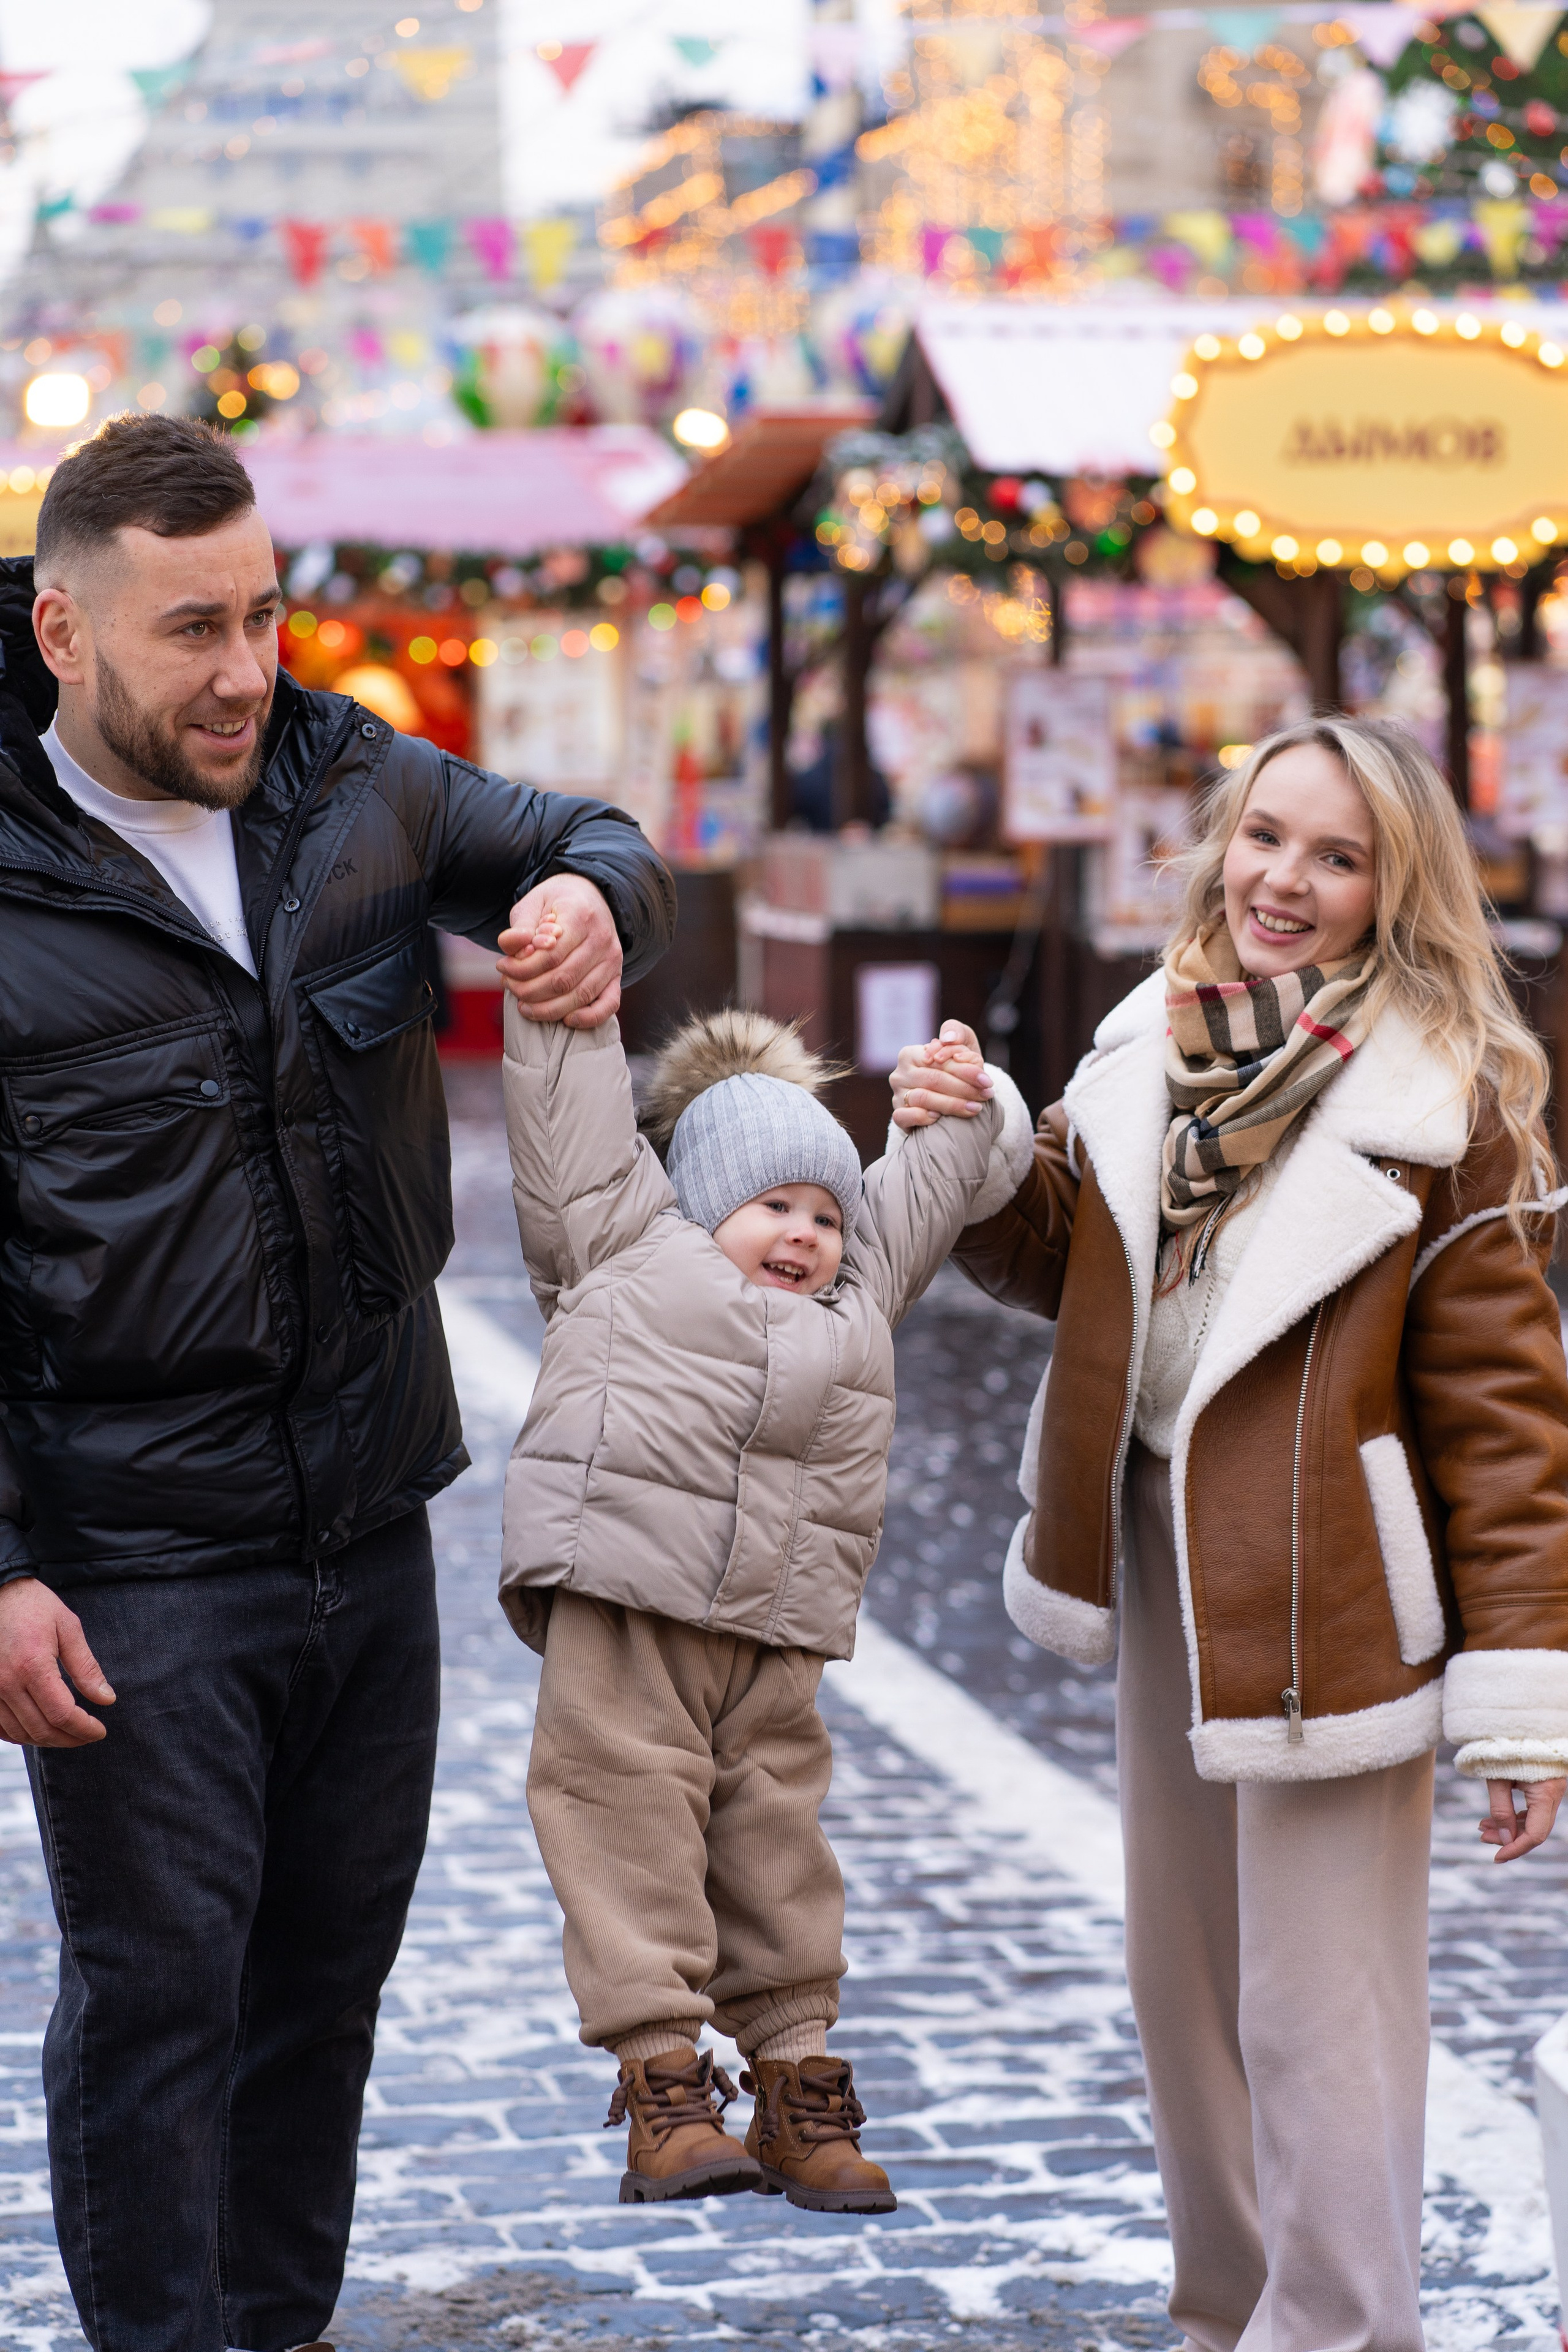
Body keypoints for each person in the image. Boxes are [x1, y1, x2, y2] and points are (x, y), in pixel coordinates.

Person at [0, 412, 674, 2352]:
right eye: (191, 629)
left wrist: (588, 907)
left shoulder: (348, 781)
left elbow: (595, 844)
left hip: (373, 1533)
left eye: (267, 616)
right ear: (62, 629)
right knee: (155, 2014)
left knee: (319, 2002)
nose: (242, 671)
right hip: (132, 1564)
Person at [891, 716, 1568, 2352]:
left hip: (1339, 1591)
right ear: (1224, 837)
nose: (1287, 880)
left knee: (1318, 2010)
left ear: (1392, 889)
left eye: (1339, 857)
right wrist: (983, 1143)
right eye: (1269, 836)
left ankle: (1340, 2330)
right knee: (1185, 1984)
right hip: (1159, 1548)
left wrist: (1526, 1700)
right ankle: (1231, 2314)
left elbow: (1506, 1414)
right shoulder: (1151, 1039)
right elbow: (1066, 1259)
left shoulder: (1446, 1095)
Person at [497, 992, 1033, 2209]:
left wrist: (956, 1088)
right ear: (700, 1204)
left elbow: (928, 1184)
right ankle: (662, 2081)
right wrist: (559, 994)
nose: (802, 1233)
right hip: (624, 1599)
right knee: (622, 1813)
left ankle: (794, 2085)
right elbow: (566, 1116)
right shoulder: (627, 1238)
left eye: (823, 1213)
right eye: (770, 1207)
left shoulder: (856, 1294)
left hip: (773, 1630)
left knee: (774, 1847)